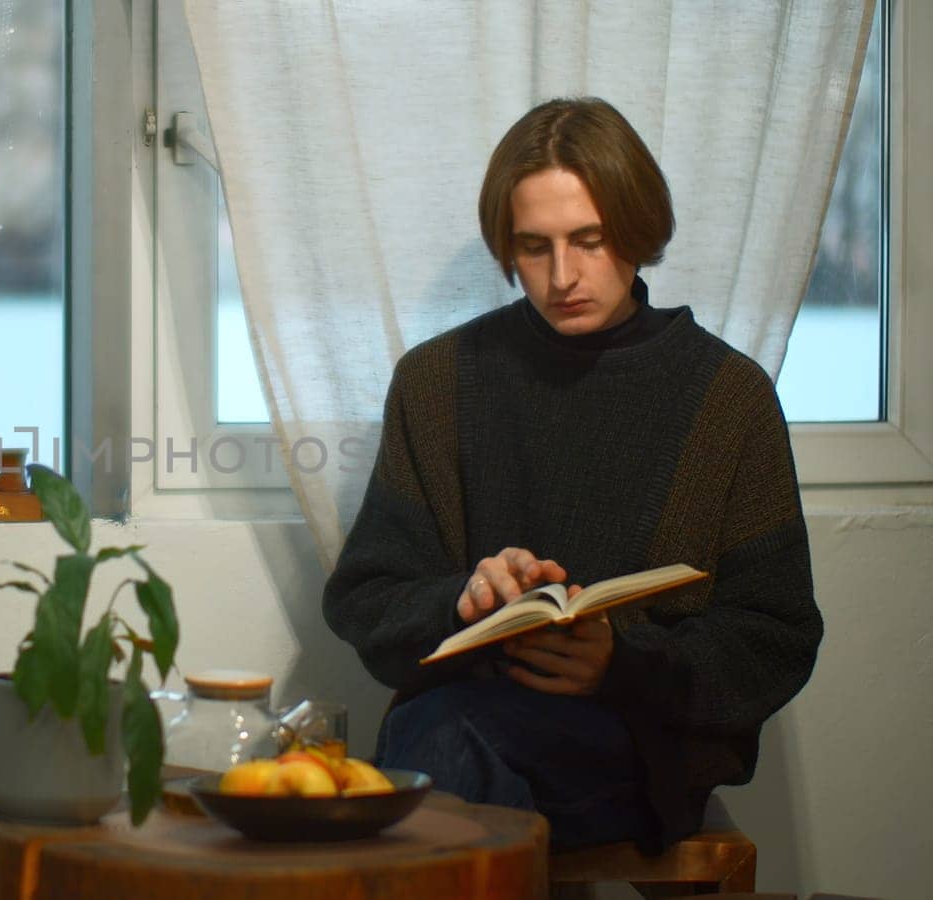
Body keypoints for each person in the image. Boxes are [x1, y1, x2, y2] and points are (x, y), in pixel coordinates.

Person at [322, 97, 822, 852]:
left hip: (638, 747)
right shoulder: (438, 383)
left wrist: (621, 665)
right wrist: (466, 598)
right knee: (450, 745)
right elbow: (367, 599)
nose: (562, 276)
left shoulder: (727, 397)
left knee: (438, 760)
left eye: (590, 240)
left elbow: (776, 638)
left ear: (638, 230)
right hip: (456, 724)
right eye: (534, 247)